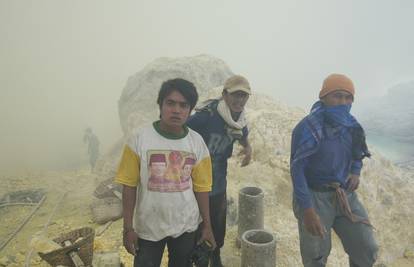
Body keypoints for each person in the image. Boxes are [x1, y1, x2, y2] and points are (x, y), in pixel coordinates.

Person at [115, 78, 216, 267]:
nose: (176, 110)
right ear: (160, 105)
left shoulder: (197, 143)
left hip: (186, 226)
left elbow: (202, 188)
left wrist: (207, 225)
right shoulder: (139, 140)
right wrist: (128, 228)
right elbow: (129, 185)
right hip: (148, 228)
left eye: (183, 105)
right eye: (170, 103)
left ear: (190, 110)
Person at [290, 74, 378, 267]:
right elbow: (297, 171)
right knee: (316, 255)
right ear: (324, 97)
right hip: (315, 197)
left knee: (366, 246)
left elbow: (357, 152)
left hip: (343, 194)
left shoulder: (351, 125)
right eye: (337, 96)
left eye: (348, 98)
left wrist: (355, 171)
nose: (343, 102)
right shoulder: (307, 129)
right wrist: (308, 210)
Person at [187, 75, 252, 267]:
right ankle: (198, 260)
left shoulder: (239, 119)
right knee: (196, 228)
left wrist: (247, 148)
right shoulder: (206, 116)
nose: (240, 100)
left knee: (217, 226)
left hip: (218, 184)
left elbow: (243, 134)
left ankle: (215, 257)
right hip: (194, 186)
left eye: (244, 96)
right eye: (235, 95)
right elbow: (181, 129)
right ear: (224, 94)